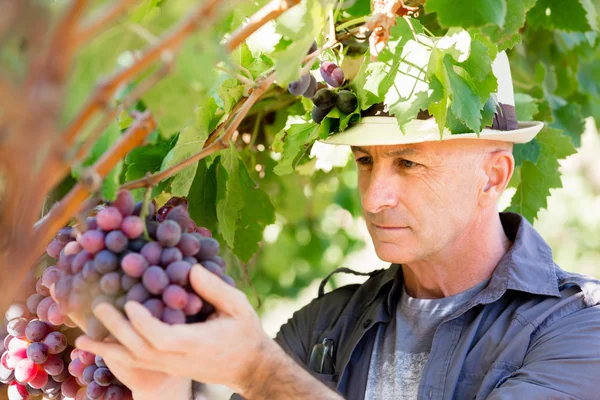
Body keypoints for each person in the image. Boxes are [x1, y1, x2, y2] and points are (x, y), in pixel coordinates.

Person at [74, 52, 600, 400]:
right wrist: (161, 386)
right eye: (366, 161)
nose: (374, 197)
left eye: (409, 163)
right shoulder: (323, 324)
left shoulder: (579, 330)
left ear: (493, 176)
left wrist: (259, 372)